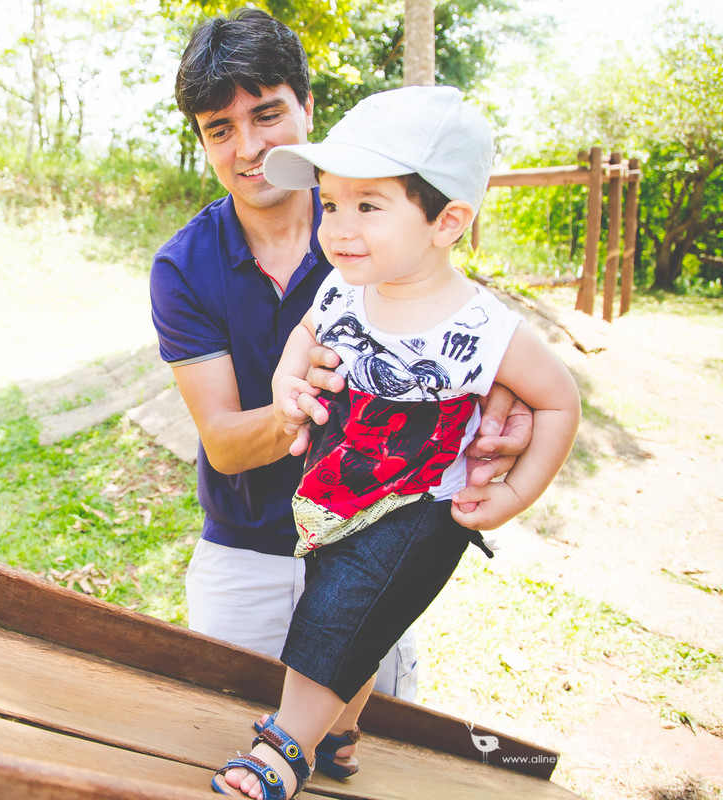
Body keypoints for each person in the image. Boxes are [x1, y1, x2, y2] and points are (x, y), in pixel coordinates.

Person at [149, 6, 532, 769]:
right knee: (232, 758)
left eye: (266, 114)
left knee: (361, 768)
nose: (249, 148)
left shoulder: (383, 233)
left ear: (307, 107)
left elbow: (466, 340)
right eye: (219, 129)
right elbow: (225, 443)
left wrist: (503, 410)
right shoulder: (184, 267)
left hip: (373, 548)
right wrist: (295, 406)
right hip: (246, 556)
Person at [209, 85, 581, 799]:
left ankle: (286, 746)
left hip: (421, 506)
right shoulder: (345, 292)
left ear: (447, 221)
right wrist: (291, 382)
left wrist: (511, 493)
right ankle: (342, 728)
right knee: (350, 611)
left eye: (369, 206)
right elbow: (304, 340)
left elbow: (557, 401)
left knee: (338, 611)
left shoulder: (482, 330)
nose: (340, 226)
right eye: (332, 202)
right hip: (337, 490)